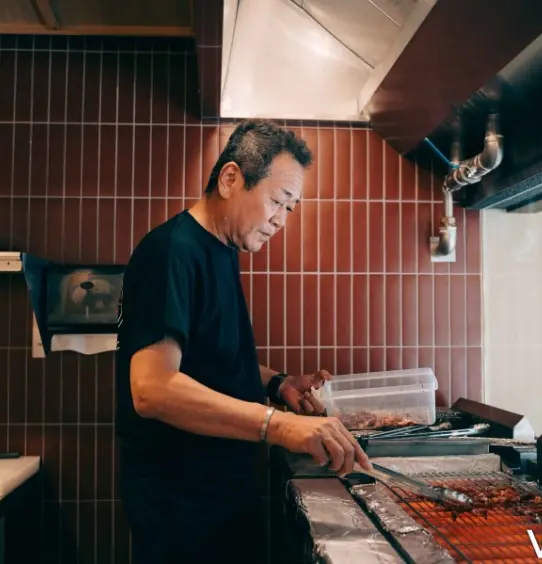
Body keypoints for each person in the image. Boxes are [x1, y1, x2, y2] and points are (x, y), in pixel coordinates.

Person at [115, 119, 371, 564]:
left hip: (221, 496)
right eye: (277, 200)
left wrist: (279, 384)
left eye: (290, 209)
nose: (280, 220)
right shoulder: (171, 252)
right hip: (182, 510)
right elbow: (152, 388)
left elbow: (209, 363)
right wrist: (282, 425)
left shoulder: (220, 249)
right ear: (231, 178)